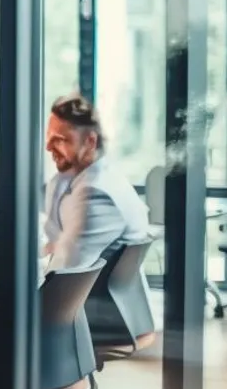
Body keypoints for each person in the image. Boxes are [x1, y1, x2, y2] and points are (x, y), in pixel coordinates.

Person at [43, 94, 150, 272]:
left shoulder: (97, 195)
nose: (47, 147)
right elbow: (54, 244)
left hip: (91, 298)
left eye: (59, 139)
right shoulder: (103, 177)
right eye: (49, 138)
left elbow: (62, 272)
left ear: (90, 142)